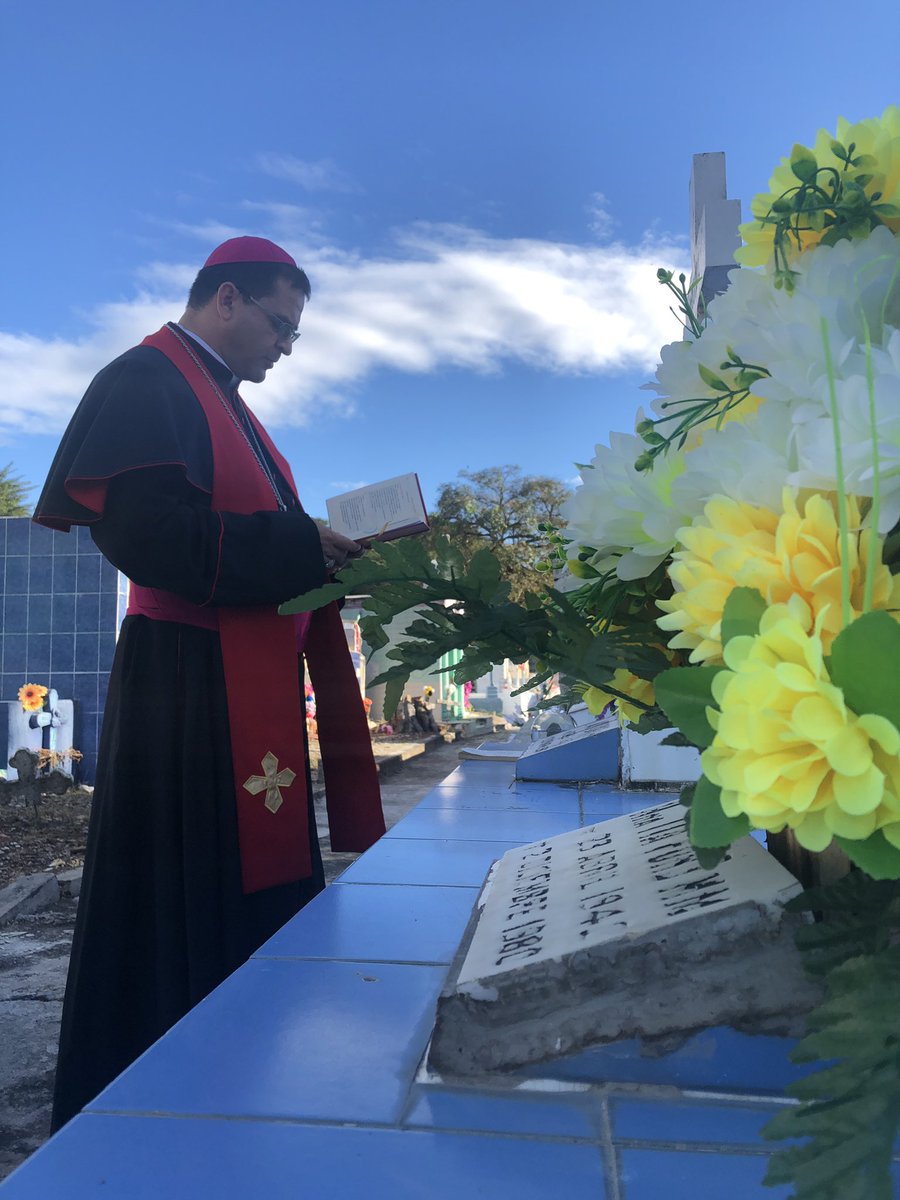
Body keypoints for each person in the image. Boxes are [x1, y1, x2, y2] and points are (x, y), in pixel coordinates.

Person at [33, 236, 386, 1130]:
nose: (287, 346)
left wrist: (319, 549)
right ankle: (162, 1100)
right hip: (185, 690)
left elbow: (242, 533)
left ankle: (251, 1069)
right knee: (179, 901)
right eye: (281, 325)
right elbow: (145, 537)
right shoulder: (146, 380)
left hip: (239, 682)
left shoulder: (231, 407)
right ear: (226, 297)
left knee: (238, 900)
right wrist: (300, 544)